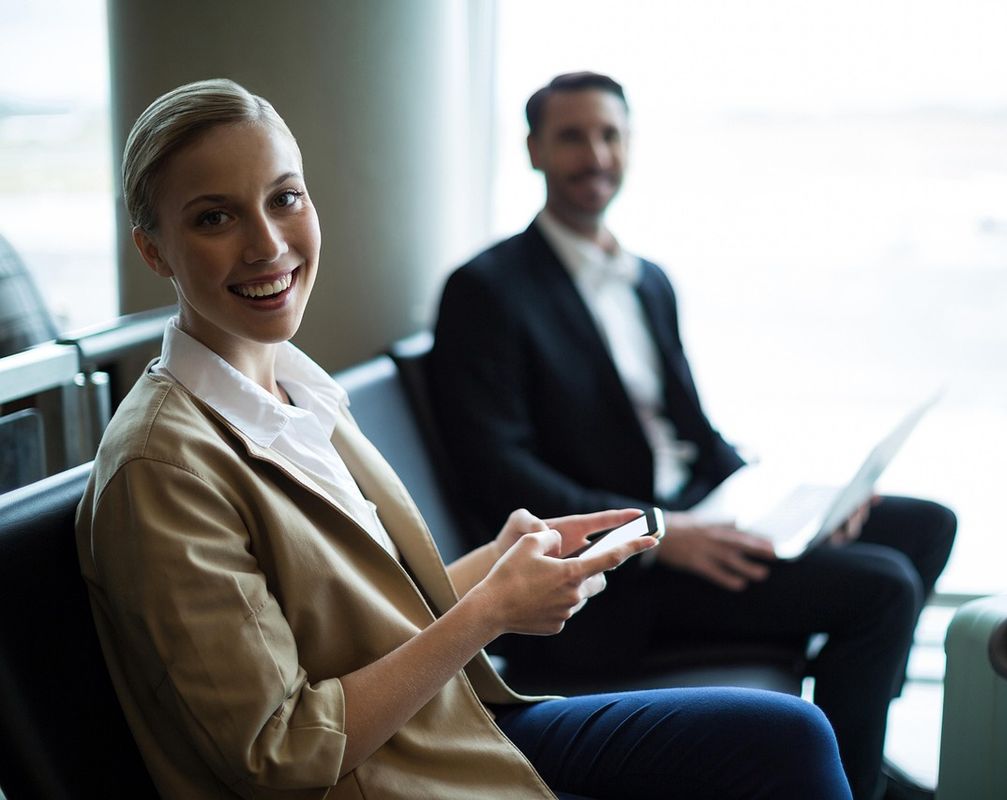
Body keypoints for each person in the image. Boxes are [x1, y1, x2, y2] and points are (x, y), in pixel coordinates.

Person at [75, 78, 851, 799]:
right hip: (392, 775)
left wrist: (496, 570)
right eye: (215, 217)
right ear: (152, 249)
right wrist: (487, 612)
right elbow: (280, 751)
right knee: (785, 741)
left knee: (784, 738)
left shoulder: (297, 389)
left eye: (285, 199)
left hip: (445, 729)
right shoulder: (162, 468)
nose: (268, 245)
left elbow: (351, 622)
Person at [430, 72, 957, 800]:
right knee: (883, 590)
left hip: (694, 515)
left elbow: (695, 435)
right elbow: (500, 473)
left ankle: (853, 737)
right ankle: (849, 784)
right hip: (617, 577)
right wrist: (661, 532)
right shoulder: (486, 289)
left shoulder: (648, 280)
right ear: (533, 152)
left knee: (925, 524)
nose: (596, 155)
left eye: (610, 135)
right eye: (572, 136)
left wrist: (808, 499)